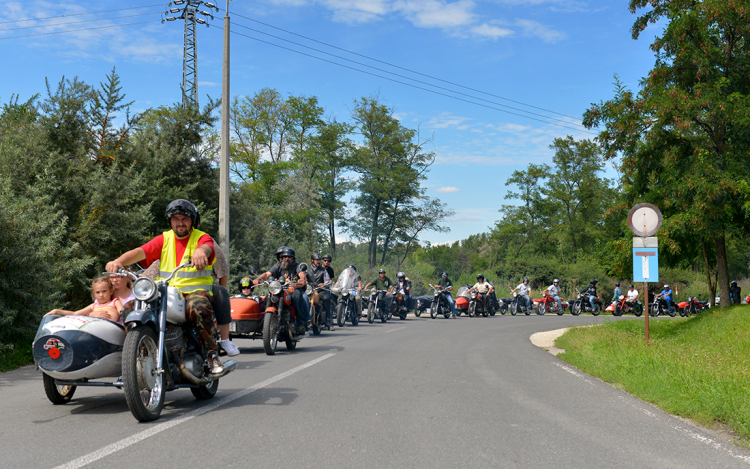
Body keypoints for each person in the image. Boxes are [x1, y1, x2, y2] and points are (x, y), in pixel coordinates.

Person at [105, 199, 224, 375]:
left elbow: (206, 248)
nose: (180, 222)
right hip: (166, 292)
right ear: (170, 221)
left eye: (185, 218)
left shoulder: (201, 237)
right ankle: (139, 356)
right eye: (176, 219)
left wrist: (200, 252)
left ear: (193, 221)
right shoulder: (164, 239)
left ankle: (211, 355)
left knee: (198, 307)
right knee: (129, 309)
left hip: (195, 292)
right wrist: (118, 261)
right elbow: (140, 252)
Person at [141, 238, 239, 357]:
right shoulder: (167, 244)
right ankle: (140, 354)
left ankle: (222, 343)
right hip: (171, 293)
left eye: (185, 219)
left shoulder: (206, 242)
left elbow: (222, 271)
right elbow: (151, 271)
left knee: (220, 292)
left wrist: (213, 298)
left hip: (200, 290)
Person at [252, 246, 310, 333]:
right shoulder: (278, 266)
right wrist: (258, 279)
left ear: (293, 258)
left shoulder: (297, 266)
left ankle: (301, 323)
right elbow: (267, 274)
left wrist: (301, 280)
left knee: (297, 296)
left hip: (293, 289)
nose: (286, 259)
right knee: (267, 297)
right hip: (280, 289)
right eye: (284, 257)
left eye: (289, 257)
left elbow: (302, 275)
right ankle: (264, 322)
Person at [47, 276, 124, 323]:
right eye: (98, 292)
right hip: (96, 328)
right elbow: (75, 314)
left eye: (104, 291)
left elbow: (123, 314)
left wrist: (125, 327)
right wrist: (57, 311)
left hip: (111, 329)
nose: (101, 295)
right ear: (94, 294)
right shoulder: (94, 306)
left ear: (111, 291)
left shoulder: (115, 302)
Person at [309, 253, 332, 328]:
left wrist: (324, 284)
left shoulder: (323, 270)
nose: (318, 261)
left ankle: (328, 319)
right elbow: (302, 278)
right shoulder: (307, 270)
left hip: (319, 290)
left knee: (327, 298)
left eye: (319, 260)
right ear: (312, 260)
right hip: (309, 290)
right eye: (317, 260)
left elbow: (328, 281)